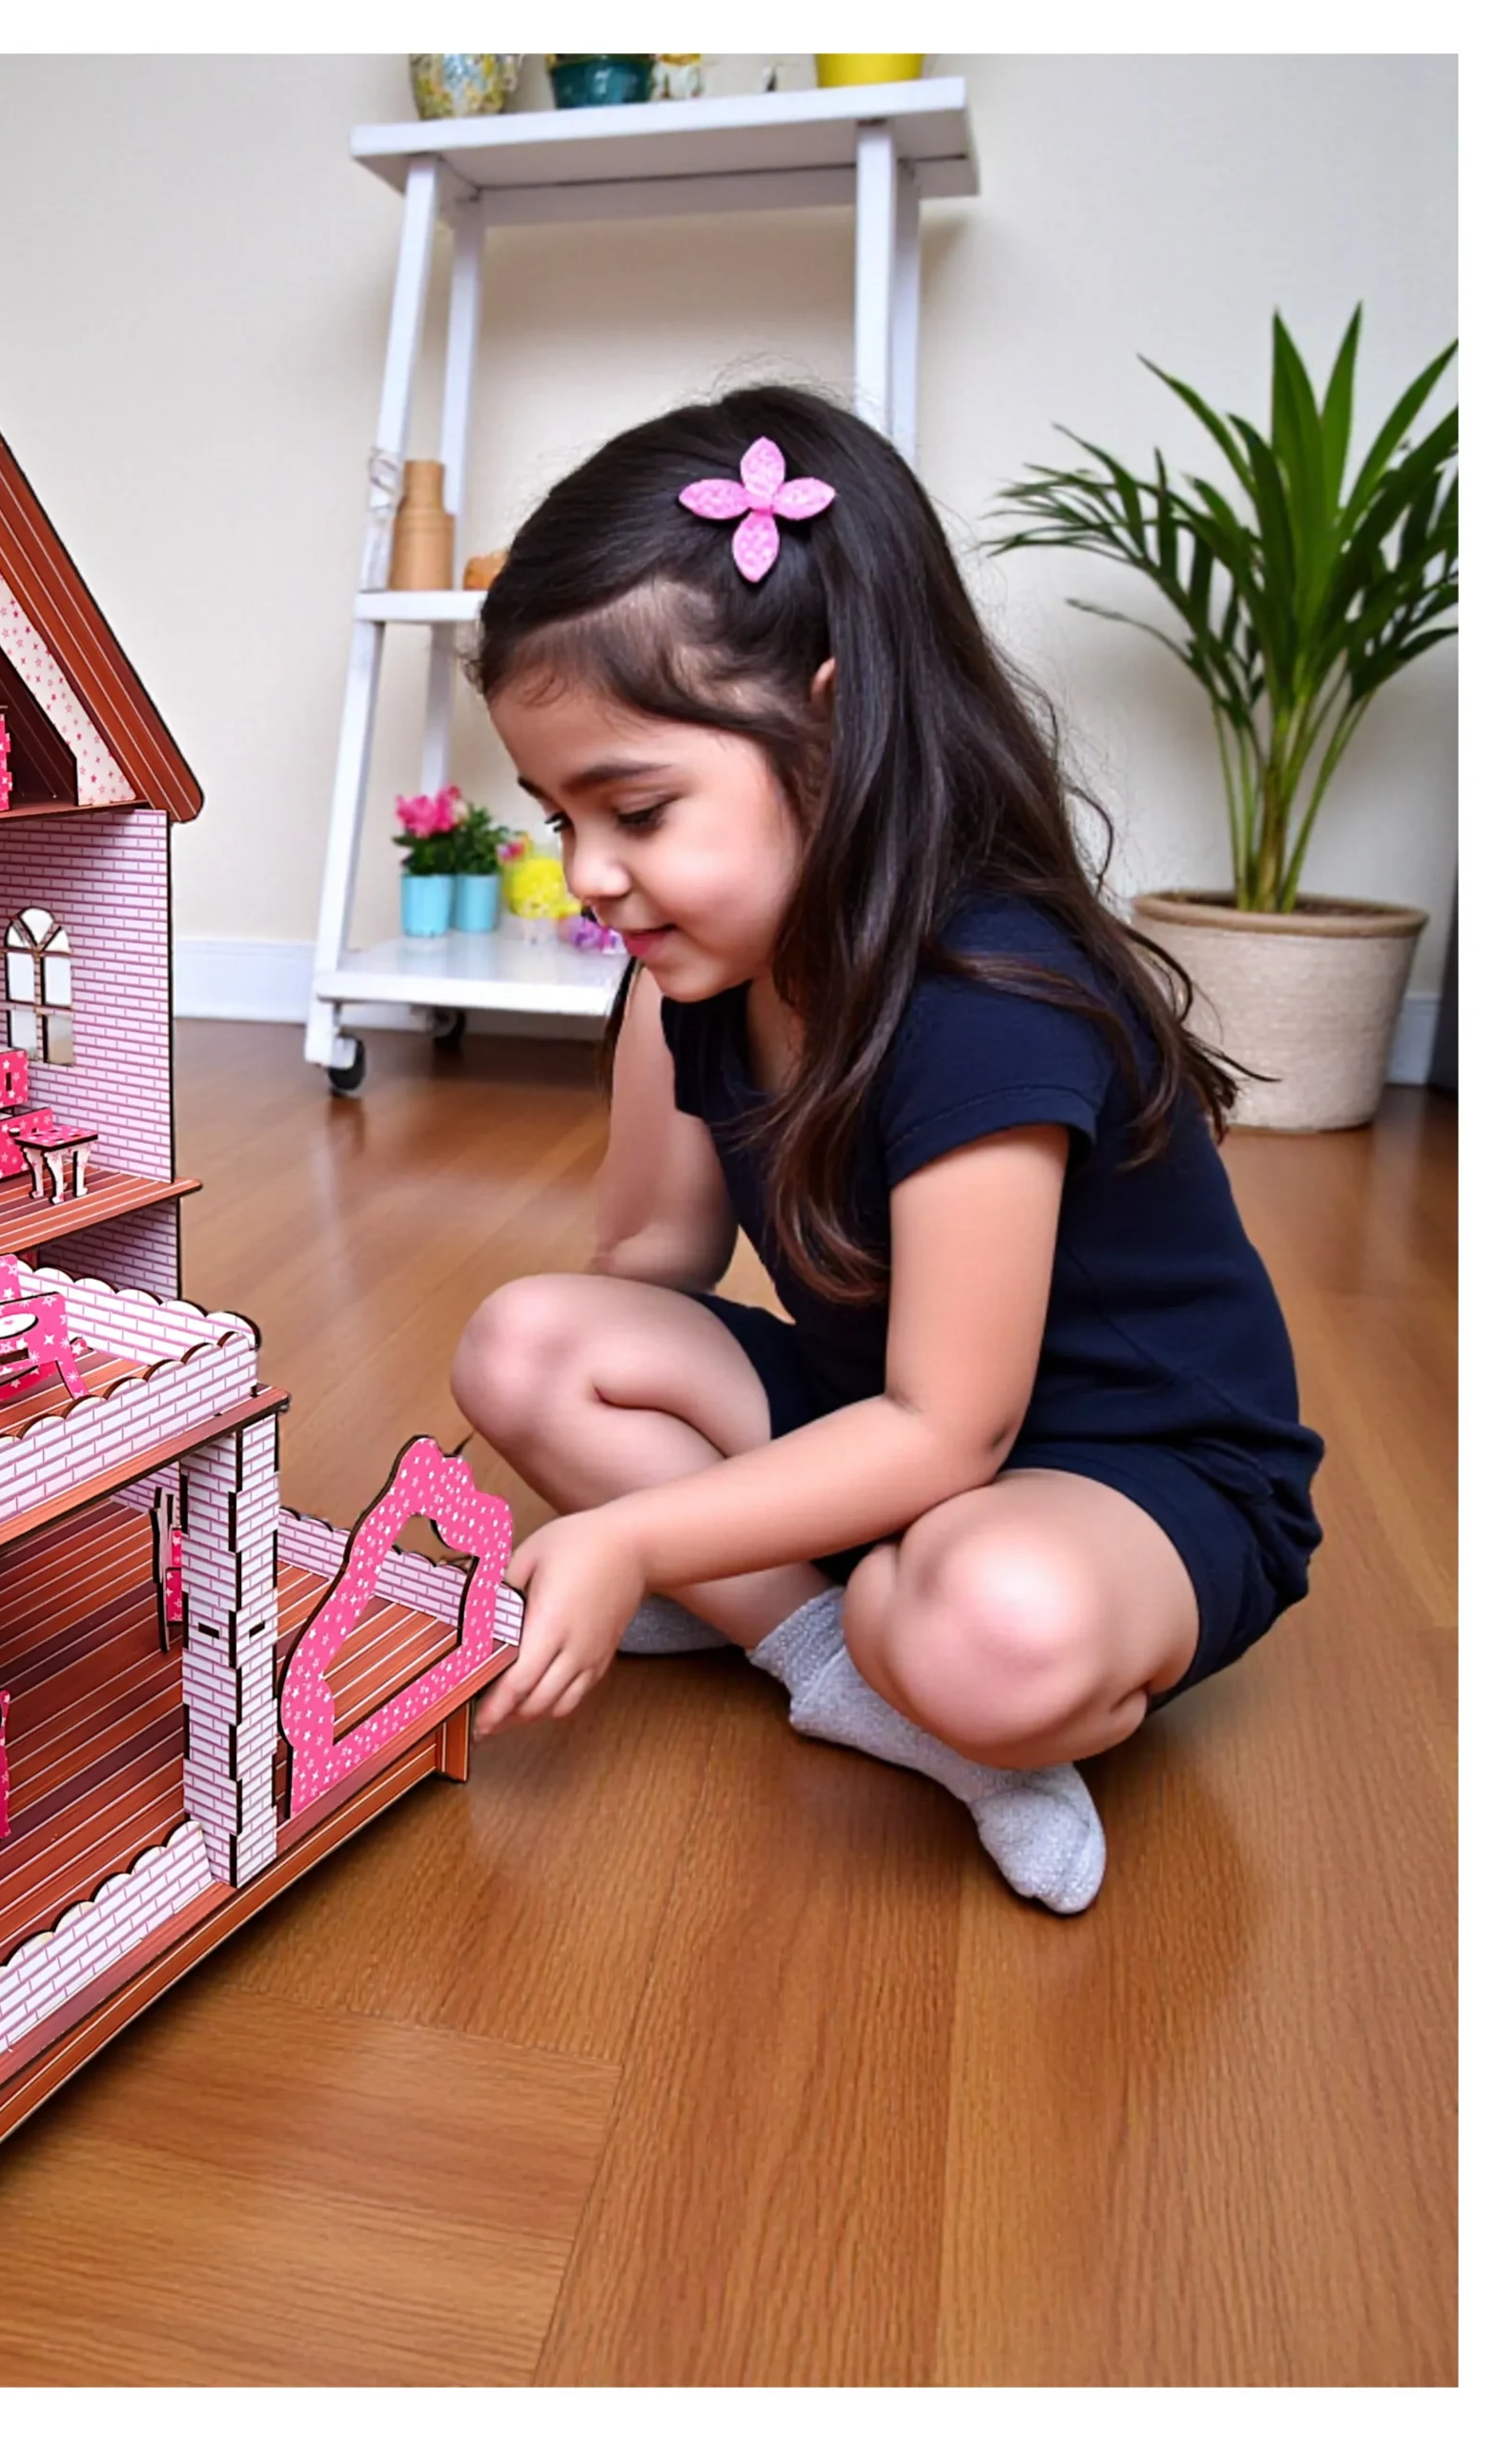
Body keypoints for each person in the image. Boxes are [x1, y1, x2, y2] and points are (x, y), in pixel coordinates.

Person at [449, 388, 1322, 1915]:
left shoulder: (987, 1000)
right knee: (523, 1345)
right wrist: (499, 1491)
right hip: (890, 1422)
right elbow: (648, 1263)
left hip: (1123, 1476)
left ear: (834, 725)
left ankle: (925, 1678)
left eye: (636, 809)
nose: (587, 874)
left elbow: (950, 1434)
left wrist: (637, 1529)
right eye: (556, 813)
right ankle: (832, 1664)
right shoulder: (694, 966)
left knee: (990, 1621)